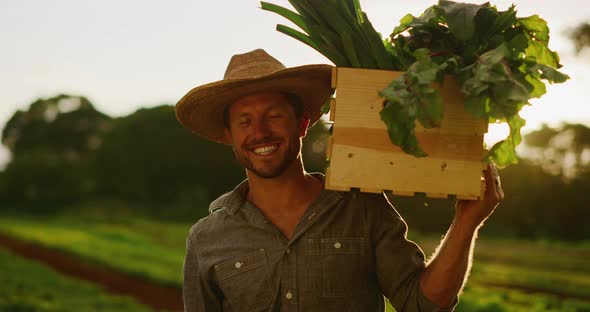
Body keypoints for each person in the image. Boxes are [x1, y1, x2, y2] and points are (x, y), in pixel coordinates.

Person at [176, 49, 504, 312]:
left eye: (274, 115)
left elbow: (422, 304)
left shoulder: (361, 206)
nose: (260, 131)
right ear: (229, 136)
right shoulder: (206, 239)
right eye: (245, 121)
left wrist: (466, 223)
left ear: (302, 124)